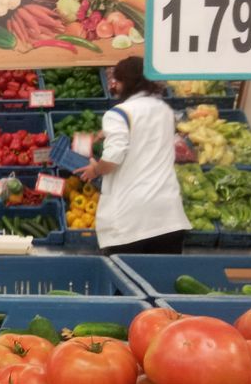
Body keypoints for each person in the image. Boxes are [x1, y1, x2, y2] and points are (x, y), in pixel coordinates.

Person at [75, 56, 190, 255]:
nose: (115, 88)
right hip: (168, 217)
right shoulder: (164, 110)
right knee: (161, 283)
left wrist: (95, 169)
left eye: (117, 82)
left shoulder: (119, 113)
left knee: (127, 282)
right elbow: (148, 137)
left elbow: (113, 158)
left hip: (132, 219)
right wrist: (106, 134)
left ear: (125, 83)